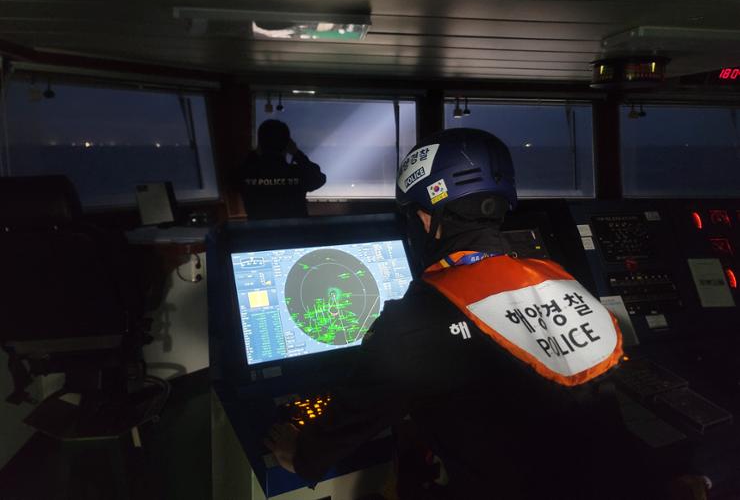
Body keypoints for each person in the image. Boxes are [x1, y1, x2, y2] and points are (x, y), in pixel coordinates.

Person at [265, 128, 708, 499]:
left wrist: (298, 453)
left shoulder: (420, 317)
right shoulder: (558, 279)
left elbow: (333, 438)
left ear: (425, 219)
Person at [237, 119, 326, 219]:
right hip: (296, 232)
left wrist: (255, 154)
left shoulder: (247, 174)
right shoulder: (298, 173)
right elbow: (320, 178)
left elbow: (234, 177)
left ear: (260, 144)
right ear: (288, 145)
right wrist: (296, 153)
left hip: (259, 233)